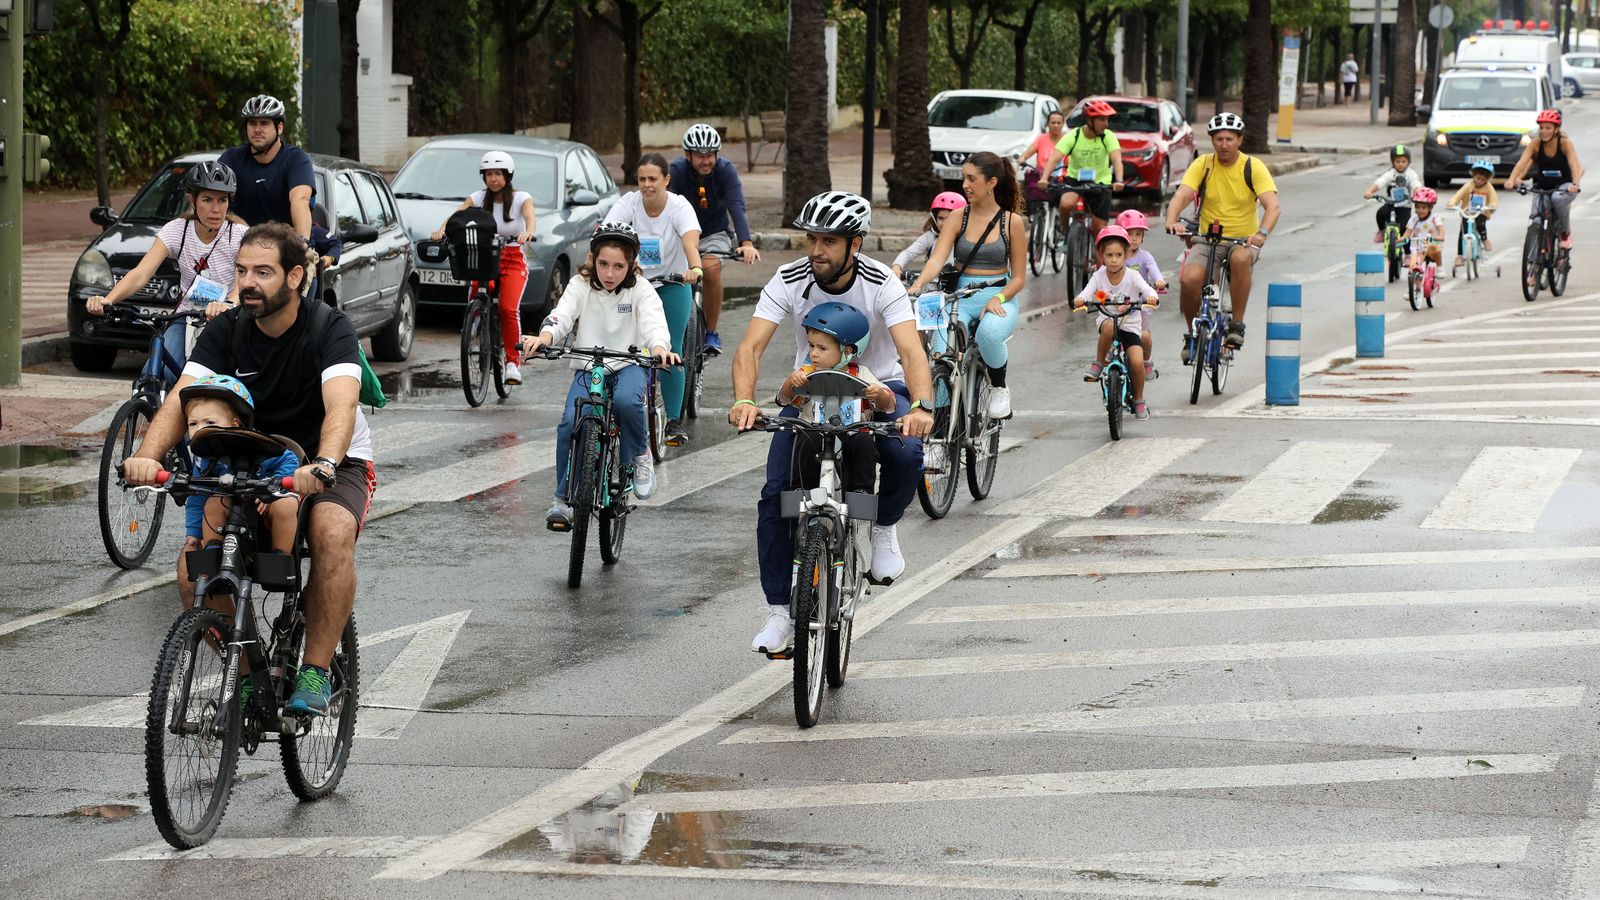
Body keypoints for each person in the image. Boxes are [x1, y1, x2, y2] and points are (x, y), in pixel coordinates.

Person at [123, 222, 378, 717]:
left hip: (332, 460)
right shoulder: (226, 330)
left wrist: (323, 464)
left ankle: (315, 671)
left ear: (296, 277)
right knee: (193, 566)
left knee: (330, 530)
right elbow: (182, 398)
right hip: (250, 459)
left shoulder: (329, 328)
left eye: (263, 271)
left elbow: (341, 407)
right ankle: (247, 679)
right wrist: (147, 456)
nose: (247, 282)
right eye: (241, 270)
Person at [729, 191, 935, 654]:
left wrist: (920, 407)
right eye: (812, 239)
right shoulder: (790, 278)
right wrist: (744, 399)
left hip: (878, 386)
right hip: (811, 393)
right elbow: (751, 348)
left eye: (829, 241)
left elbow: (910, 352)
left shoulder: (883, 283)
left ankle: (880, 526)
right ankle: (780, 613)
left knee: (906, 455)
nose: (816, 250)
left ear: (855, 244)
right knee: (777, 493)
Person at [520, 223, 677, 530]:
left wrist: (659, 349)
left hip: (629, 363)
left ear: (632, 265)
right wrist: (546, 336)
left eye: (618, 266)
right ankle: (562, 500)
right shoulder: (580, 284)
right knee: (569, 423)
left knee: (628, 403)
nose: (609, 273)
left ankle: (639, 454)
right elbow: (561, 315)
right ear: (592, 258)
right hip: (589, 366)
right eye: (603, 264)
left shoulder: (641, 289)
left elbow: (654, 324)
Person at [86, 161, 244, 381]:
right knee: (157, 372)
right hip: (187, 315)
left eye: (222, 200)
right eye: (207, 200)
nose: (216, 209)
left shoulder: (238, 235)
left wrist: (229, 304)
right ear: (192, 200)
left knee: (216, 379)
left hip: (226, 317)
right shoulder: (177, 230)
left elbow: (242, 283)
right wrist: (108, 300)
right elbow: (141, 273)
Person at [907, 151, 1028, 432]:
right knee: (940, 355)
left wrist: (998, 298)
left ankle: (999, 387)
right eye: (964, 178)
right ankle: (942, 432)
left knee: (989, 333)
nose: (965, 185)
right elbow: (937, 259)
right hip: (959, 297)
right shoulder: (957, 218)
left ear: (992, 182)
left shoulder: (1012, 223)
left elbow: (1019, 278)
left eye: (972, 179)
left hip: (999, 296)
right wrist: (919, 284)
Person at [604, 152, 702, 446]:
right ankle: (618, 409)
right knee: (623, 346)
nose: (647, 185)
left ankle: (673, 420)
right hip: (635, 286)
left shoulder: (679, 207)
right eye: (642, 179)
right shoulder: (629, 204)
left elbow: (689, 242)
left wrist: (694, 268)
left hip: (672, 284)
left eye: (653, 179)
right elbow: (607, 235)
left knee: (669, 348)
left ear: (666, 180)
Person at [1162, 111, 1281, 355]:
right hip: (1207, 239)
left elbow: (1273, 206)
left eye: (1229, 139)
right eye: (1219, 139)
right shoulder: (1203, 164)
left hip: (1242, 240)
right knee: (1189, 280)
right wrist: (1171, 219)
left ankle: (1237, 324)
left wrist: (1262, 233)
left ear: (1240, 140)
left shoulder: (1252, 166)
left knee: (1240, 259)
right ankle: (1192, 334)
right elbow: (1183, 195)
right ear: (1212, 140)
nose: (1224, 144)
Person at [429, 150, 538, 384]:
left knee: (508, 308)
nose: (494, 179)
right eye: (489, 174)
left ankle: (512, 363)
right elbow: (457, 217)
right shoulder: (478, 198)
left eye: (498, 174)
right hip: (484, 258)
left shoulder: (521, 198)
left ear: (508, 175)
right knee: (475, 295)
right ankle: (475, 325)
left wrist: (529, 231)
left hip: (512, 259)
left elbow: (530, 216)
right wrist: (442, 229)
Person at [774, 302, 895, 496]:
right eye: (811, 346)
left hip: (852, 434)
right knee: (806, 437)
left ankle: (860, 492)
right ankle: (802, 490)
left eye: (822, 348)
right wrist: (792, 382)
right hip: (816, 432)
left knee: (863, 443)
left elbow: (888, 404)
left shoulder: (861, 374)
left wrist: (878, 394)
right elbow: (785, 398)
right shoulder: (806, 374)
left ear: (848, 351)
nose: (813, 353)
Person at [180, 375, 300, 558]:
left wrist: (273, 486)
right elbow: (198, 493)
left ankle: (280, 558)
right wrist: (194, 532)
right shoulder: (205, 456)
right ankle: (212, 552)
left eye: (210, 422)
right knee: (212, 503)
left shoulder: (257, 445)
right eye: (193, 423)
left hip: (266, 500)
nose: (200, 430)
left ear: (234, 424)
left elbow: (290, 460)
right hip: (231, 501)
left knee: (287, 505)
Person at [669, 124, 761, 354]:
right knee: (671, 277)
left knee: (709, 269)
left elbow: (736, 206)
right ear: (687, 155)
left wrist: (746, 243)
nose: (705, 161)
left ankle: (711, 332)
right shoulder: (677, 171)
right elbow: (666, 205)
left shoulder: (726, 170)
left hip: (714, 233)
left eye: (710, 155)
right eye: (700, 156)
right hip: (680, 235)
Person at [1074, 225, 1159, 420]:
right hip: (1108, 321)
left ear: (1126, 255)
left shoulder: (1133, 276)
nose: (1113, 260)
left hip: (1129, 324)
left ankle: (1139, 400)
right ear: (1101, 255)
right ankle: (1098, 362)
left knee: (1137, 361)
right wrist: (1081, 299)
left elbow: (1147, 290)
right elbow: (1087, 292)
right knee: (1110, 326)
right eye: (1109, 255)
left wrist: (1152, 297)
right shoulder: (1098, 276)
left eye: (1118, 255)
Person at [217, 95, 314, 238]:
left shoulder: (296, 159)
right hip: (239, 244)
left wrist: (302, 245)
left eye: (264, 123)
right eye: (252, 123)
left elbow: (300, 200)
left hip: (284, 246)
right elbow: (211, 198)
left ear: (279, 128)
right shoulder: (232, 158)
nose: (257, 129)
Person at [1506, 108, 1584, 250]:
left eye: (1548, 128)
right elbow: (1522, 163)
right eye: (1541, 128)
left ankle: (1565, 233)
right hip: (1543, 185)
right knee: (1536, 216)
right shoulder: (1535, 144)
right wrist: (1512, 179)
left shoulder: (1565, 143)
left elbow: (1574, 165)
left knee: (1556, 199)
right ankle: (1535, 260)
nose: (1544, 131)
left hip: (1564, 186)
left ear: (1556, 129)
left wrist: (1575, 184)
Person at [1044, 100, 1125, 233]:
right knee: (1066, 204)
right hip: (1074, 180)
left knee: (1099, 229)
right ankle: (1065, 231)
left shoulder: (1108, 136)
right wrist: (1044, 178)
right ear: (1090, 120)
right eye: (1102, 120)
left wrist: (1119, 180)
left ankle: (1096, 252)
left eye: (1107, 119)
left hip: (1100, 183)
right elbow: (1055, 158)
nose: (1106, 124)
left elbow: (1116, 160)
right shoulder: (1074, 135)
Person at [1115, 209, 1168, 381]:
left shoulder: (1145, 257)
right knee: (1111, 331)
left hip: (1140, 305)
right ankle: (1110, 355)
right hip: (1118, 303)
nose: (1134, 238)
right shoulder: (1116, 258)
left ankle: (1147, 361)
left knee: (1144, 336)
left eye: (1138, 234)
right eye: (1130, 234)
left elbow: (1154, 271)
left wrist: (1159, 281)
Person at [890, 191, 966, 280]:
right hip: (932, 287)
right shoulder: (930, 237)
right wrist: (897, 266)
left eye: (949, 218)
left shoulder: (967, 238)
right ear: (934, 217)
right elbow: (909, 252)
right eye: (940, 218)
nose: (945, 223)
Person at [1363, 145, 1423, 244]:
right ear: (1393, 162)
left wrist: (1418, 191)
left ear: (1408, 162)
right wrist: (1370, 191)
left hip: (1405, 205)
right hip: (1390, 203)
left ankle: (1407, 253)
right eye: (1397, 161)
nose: (1401, 164)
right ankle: (1381, 231)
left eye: (1403, 161)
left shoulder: (1410, 174)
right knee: (1380, 214)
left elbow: (1415, 183)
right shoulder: (1391, 173)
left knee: (1405, 228)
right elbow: (1381, 181)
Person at [1447, 161, 1499, 258]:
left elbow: (1494, 199)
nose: (1479, 181)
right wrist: (1452, 203)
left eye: (1482, 180)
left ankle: (1484, 239)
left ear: (1487, 180)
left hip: (1481, 212)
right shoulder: (1468, 186)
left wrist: (1492, 205)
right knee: (1463, 232)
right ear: (1473, 175)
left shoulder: (1489, 188)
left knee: (1480, 224)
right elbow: (1458, 195)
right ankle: (1460, 255)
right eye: (1478, 178)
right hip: (1467, 212)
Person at [1018, 109, 1068, 208]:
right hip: (1042, 178)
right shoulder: (1041, 139)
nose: (1056, 125)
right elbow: (1026, 154)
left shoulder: (1068, 139)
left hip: (1062, 179)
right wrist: (1022, 159)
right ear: (1048, 124)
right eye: (1053, 122)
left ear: (1063, 124)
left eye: (1059, 123)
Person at [1402, 187, 1445, 274]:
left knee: (1434, 247)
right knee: (1412, 267)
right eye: (1417, 207)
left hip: (1430, 245)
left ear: (1430, 208)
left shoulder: (1435, 218)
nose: (1420, 210)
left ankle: (1440, 267)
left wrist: (1440, 236)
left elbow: (1441, 230)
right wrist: (1400, 240)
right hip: (1416, 248)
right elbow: (1407, 233)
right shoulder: (1413, 219)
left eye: (1424, 207)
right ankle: (1416, 286)